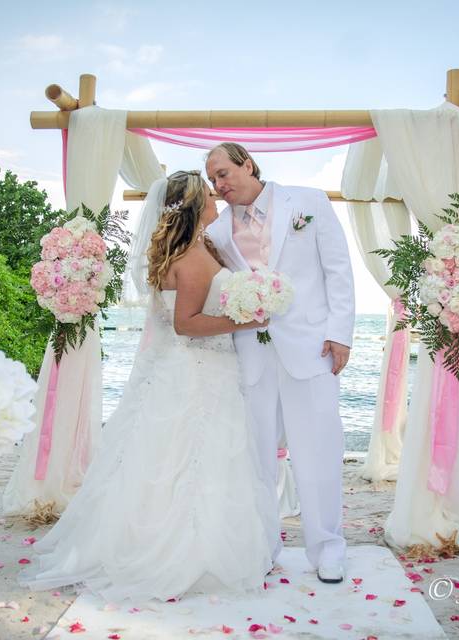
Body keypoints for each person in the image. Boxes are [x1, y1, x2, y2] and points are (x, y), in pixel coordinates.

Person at [19, 171, 276, 602]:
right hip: (196, 372)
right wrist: (251, 317)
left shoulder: (192, 248)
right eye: (209, 196)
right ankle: (185, 554)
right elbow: (186, 324)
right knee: (190, 461)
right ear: (196, 207)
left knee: (168, 460)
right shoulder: (191, 258)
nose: (216, 201)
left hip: (191, 370)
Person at [204, 143, 355, 583]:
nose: (219, 185)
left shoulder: (308, 203)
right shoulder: (216, 231)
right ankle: (263, 544)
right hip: (250, 349)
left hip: (312, 346)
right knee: (255, 455)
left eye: (224, 174)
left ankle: (327, 547)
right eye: (213, 181)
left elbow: (338, 270)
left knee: (319, 449)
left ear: (247, 164)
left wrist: (340, 332)